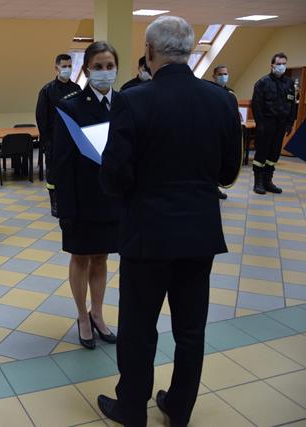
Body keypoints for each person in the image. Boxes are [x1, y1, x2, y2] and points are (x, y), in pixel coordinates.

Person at [97, 16, 241, 427]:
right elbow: (228, 171)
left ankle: (131, 408)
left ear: (149, 52)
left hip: (148, 234)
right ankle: (179, 408)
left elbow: (114, 176)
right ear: (191, 51)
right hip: (199, 233)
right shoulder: (221, 100)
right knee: (191, 330)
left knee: (139, 328)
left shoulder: (133, 100)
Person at [53, 41, 120, 350]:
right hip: (81, 198)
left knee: (102, 257)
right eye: (98, 67)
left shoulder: (124, 104)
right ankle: (82, 316)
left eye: (110, 66)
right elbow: (62, 162)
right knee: (81, 257)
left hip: (112, 199)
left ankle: (98, 313)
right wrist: (64, 208)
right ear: (87, 70)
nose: (105, 72)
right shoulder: (71, 107)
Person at [35, 53, 81, 216]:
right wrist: (46, 140)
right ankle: (55, 203)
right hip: (53, 140)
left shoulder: (77, 89)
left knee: (72, 171)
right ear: (56, 68)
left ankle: (70, 200)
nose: (67, 69)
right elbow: (41, 117)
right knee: (53, 174)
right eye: (64, 66)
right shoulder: (47, 91)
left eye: (70, 66)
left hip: (73, 140)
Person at [251, 52, 297, 194]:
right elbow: (256, 105)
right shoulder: (262, 83)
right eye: (278, 64)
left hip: (281, 124)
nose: (281, 66)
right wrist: (260, 125)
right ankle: (258, 182)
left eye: (284, 63)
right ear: (272, 65)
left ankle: (268, 181)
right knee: (262, 153)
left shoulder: (289, 83)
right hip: (267, 123)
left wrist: (290, 123)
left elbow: (292, 105)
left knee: (274, 154)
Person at [210, 64, 238, 200]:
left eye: (225, 74)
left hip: (226, 133)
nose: (223, 77)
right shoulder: (209, 92)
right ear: (214, 76)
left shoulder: (231, 93)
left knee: (223, 161)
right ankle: (211, 188)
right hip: (212, 132)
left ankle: (217, 186)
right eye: (220, 74)